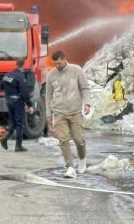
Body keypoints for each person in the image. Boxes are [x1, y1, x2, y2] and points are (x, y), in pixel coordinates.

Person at [46, 50, 91, 178]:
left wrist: (87, 104)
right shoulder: (51, 74)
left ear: (64, 59)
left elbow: (85, 88)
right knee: (63, 139)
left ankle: (82, 159)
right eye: (55, 64)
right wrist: (48, 113)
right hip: (59, 113)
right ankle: (70, 167)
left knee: (79, 139)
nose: (57, 66)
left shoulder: (76, 70)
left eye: (59, 63)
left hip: (75, 112)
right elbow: (48, 95)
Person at [0, 58, 33, 152]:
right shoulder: (20, 76)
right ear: (23, 65)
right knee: (19, 124)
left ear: (16, 64)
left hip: (8, 101)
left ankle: (4, 138)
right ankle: (18, 146)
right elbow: (24, 92)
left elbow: (0, 86)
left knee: (12, 123)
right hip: (17, 102)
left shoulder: (7, 75)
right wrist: (29, 105)